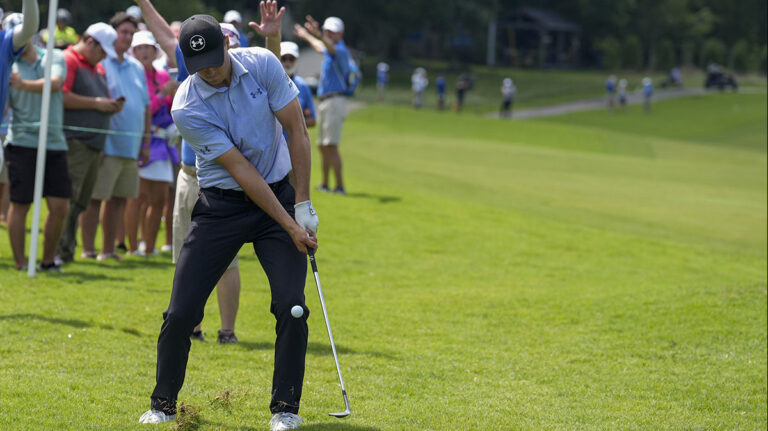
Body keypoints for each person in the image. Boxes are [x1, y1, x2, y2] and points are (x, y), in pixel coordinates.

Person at [137, 13, 318, 431]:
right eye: (200, 67)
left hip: (280, 194)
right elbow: (241, 171)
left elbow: (296, 129)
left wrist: (302, 206)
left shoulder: (262, 64)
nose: (212, 73)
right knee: (182, 312)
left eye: (216, 62)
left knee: (292, 307)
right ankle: (163, 404)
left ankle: (285, 409)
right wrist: (290, 224)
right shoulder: (187, 105)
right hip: (222, 205)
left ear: (226, 47)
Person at [134, 0, 285, 344]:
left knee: (227, 261)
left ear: (228, 48)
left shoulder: (243, 73)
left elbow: (274, 74)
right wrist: (144, 4)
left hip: (226, 186)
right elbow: (163, 34)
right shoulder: (194, 70)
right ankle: (191, 325)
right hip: (189, 176)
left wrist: (272, 39)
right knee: (185, 257)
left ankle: (227, 329)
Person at [78, 12, 150, 261]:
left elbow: (145, 107)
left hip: (130, 146)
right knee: (95, 198)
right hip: (106, 145)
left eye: (132, 33)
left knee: (119, 200)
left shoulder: (137, 67)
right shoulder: (101, 63)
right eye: (124, 32)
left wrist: (146, 142)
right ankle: (88, 250)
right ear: (113, 33)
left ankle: (108, 250)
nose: (128, 38)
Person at [3, 12, 69, 271]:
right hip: (21, 142)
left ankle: (47, 260)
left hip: (54, 141)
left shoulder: (54, 56)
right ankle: (21, 263)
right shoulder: (8, 65)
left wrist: (22, 84)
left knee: (60, 205)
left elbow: (55, 83)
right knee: (20, 203)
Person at [55, 22, 124, 265]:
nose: (104, 56)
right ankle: (58, 251)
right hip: (75, 142)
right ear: (90, 42)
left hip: (94, 144)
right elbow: (62, 97)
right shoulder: (68, 60)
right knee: (68, 199)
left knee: (81, 202)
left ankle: (66, 251)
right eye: (102, 50)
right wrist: (96, 103)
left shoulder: (98, 67)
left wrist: (108, 105)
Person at [123, 30, 175, 257]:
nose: (145, 52)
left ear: (155, 50)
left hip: (163, 142)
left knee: (160, 198)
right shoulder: (133, 74)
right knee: (138, 197)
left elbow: (170, 108)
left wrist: (170, 95)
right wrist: (161, 95)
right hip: (142, 140)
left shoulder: (163, 74)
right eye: (140, 48)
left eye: (149, 47)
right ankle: (134, 248)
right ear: (134, 51)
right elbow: (146, 109)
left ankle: (150, 247)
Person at [294, 15, 350, 195]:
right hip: (327, 101)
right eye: (327, 31)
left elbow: (327, 46)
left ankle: (339, 186)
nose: (329, 34)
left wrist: (317, 35)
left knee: (331, 144)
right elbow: (321, 46)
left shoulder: (340, 50)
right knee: (323, 145)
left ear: (340, 34)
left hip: (335, 100)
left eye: (332, 32)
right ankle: (326, 184)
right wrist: (306, 35)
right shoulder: (329, 51)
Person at [280, 41, 315, 130]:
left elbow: (312, 120)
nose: (287, 62)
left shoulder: (303, 85)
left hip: (294, 141)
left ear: (296, 60)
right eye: (283, 58)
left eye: (291, 59)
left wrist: (294, 123)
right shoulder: (270, 83)